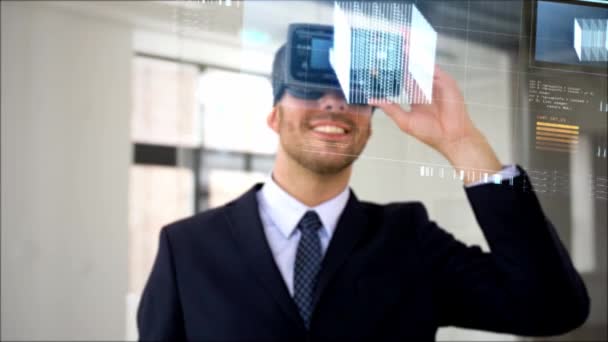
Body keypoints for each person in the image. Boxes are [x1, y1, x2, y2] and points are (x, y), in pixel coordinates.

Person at [137, 41, 590, 341]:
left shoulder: (407, 238)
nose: (333, 103)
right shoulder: (188, 247)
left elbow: (552, 309)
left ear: (369, 128)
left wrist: (461, 142)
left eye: (353, 94)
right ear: (274, 117)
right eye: (309, 89)